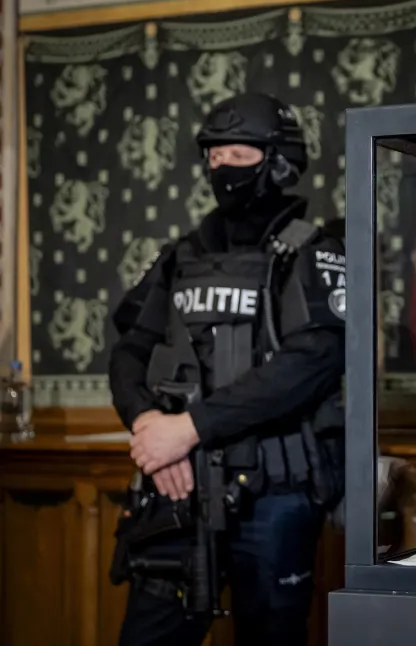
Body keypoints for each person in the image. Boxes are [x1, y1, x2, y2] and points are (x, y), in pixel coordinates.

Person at [109, 92, 346, 646]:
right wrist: (149, 426)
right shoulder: (180, 255)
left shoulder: (312, 249)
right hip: (176, 482)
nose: (221, 168)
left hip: (275, 490)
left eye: (237, 155)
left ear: (278, 160)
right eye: (213, 157)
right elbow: (128, 352)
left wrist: (187, 429)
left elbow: (310, 364)